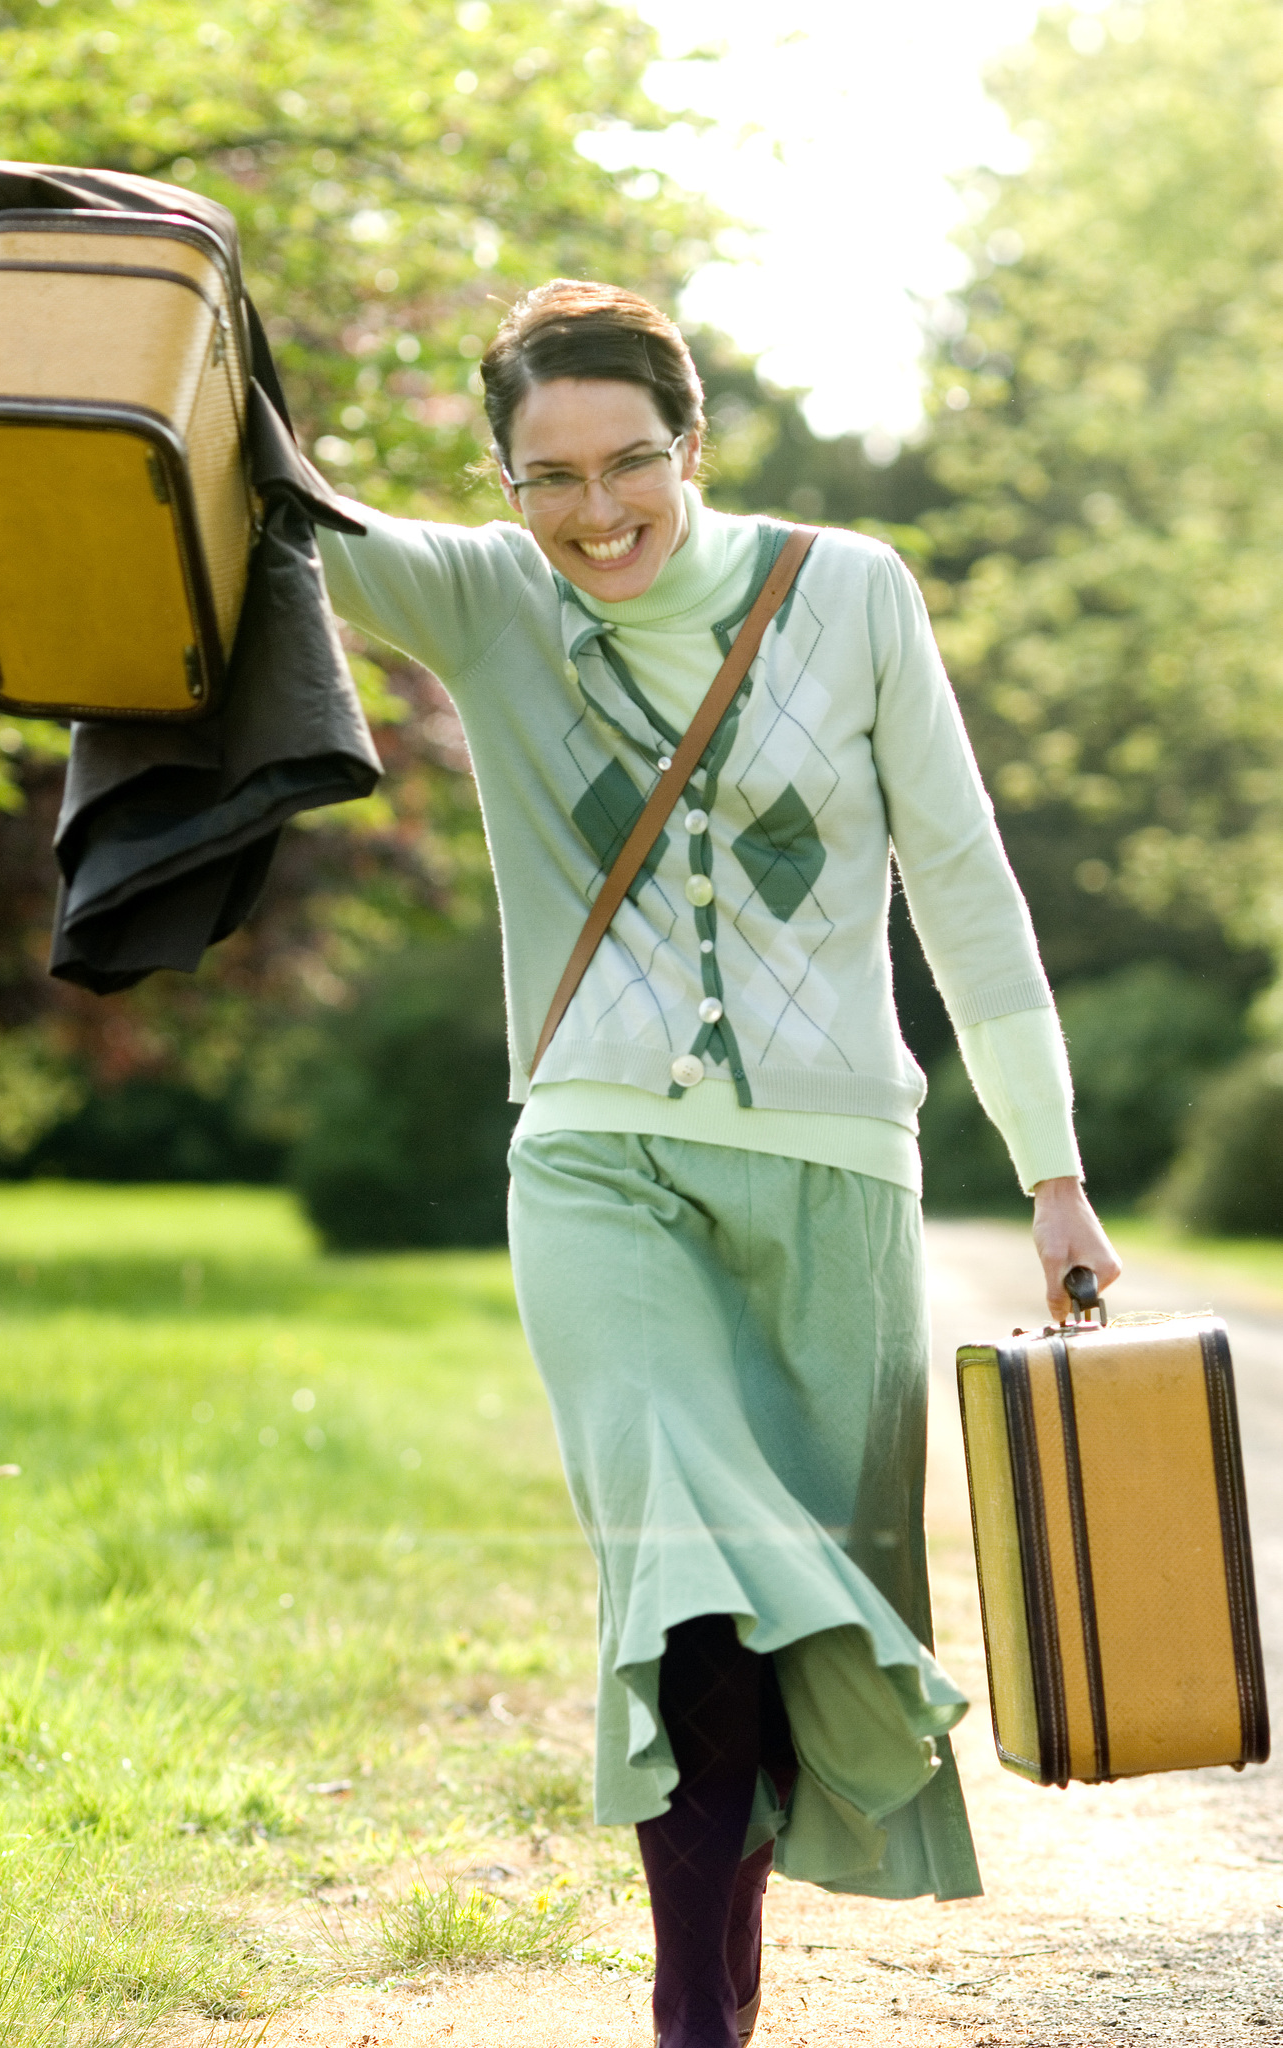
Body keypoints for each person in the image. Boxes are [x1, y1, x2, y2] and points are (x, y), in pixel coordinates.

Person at [316, 280, 1120, 2048]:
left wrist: (1049, 1168)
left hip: (833, 1172)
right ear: (500, 476)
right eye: (546, 477)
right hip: (597, 1163)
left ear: (693, 447)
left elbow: (965, 893)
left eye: (629, 466)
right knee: (680, 1570)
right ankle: (692, 2018)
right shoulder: (480, 593)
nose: (593, 513)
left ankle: (718, 1993)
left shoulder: (847, 592)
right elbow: (259, 503)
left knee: (764, 1630)